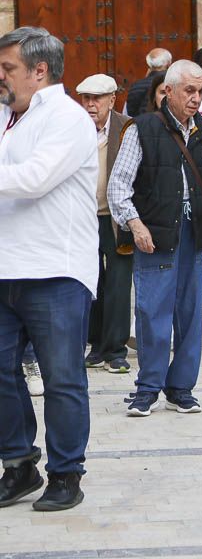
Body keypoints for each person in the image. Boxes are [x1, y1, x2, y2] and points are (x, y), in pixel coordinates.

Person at [0, 27, 98, 510]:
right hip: (3, 268)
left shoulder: (68, 117)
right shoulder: (3, 116)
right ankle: (18, 464)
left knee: (61, 378)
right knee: (0, 371)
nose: (0, 77)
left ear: (40, 72)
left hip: (55, 270)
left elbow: (34, 179)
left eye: (7, 69)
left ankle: (65, 473)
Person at [108, 59, 202, 416]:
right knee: (151, 313)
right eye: (190, 91)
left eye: (200, 91)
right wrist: (136, 225)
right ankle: (148, 388)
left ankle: (181, 388)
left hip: (193, 233)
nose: (196, 98)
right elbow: (119, 185)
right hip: (154, 233)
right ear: (169, 91)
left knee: (190, 314)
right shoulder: (142, 129)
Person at [76, 74, 134, 374]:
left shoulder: (127, 128)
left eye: (96, 98)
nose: (90, 104)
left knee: (119, 283)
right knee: (91, 282)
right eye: (85, 97)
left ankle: (116, 350)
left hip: (118, 218)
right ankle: (96, 346)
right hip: (84, 218)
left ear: (112, 99)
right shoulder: (74, 129)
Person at [124, 48, 172, 117]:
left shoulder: (135, 86)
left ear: (149, 65)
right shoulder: (171, 85)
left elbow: (127, 114)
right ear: (168, 64)